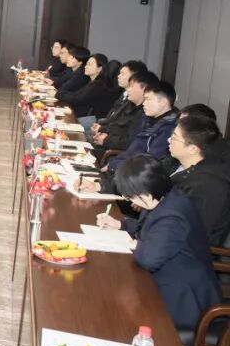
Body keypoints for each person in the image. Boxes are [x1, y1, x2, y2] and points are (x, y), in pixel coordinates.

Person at [96, 155, 220, 331]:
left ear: (146, 195)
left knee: (117, 316)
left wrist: (136, 245)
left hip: (182, 299)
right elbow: (148, 229)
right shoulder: (165, 197)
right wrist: (120, 225)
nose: (129, 199)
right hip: (163, 280)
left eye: (130, 196)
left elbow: (149, 259)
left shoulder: (172, 215)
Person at [166, 115, 230, 246]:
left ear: (193, 149)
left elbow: (195, 234)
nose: (168, 140)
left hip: (184, 250)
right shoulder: (191, 172)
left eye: (174, 138)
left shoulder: (210, 185)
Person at [106, 79, 179, 174]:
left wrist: (113, 166)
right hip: (124, 168)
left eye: (148, 99)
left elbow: (149, 162)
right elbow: (132, 150)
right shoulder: (147, 119)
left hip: (136, 175)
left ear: (163, 102)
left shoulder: (168, 129)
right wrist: (113, 164)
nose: (144, 103)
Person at [92, 69, 152, 160]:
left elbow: (130, 142)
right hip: (109, 141)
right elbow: (117, 125)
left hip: (117, 154)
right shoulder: (131, 105)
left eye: (132, 86)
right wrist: (103, 132)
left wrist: (106, 139)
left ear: (144, 90)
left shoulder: (143, 114)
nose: (128, 89)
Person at [90, 60, 146, 145]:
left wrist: (104, 134)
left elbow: (124, 131)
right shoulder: (125, 95)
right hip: (107, 131)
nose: (118, 76)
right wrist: (101, 128)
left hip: (112, 142)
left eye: (123, 74)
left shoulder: (138, 107)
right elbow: (112, 119)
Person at [57, 53, 119, 120]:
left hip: (95, 119)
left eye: (89, 64)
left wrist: (59, 94)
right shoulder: (92, 81)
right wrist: (61, 93)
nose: (86, 67)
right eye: (86, 64)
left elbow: (77, 99)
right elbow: (77, 94)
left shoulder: (98, 84)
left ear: (99, 68)